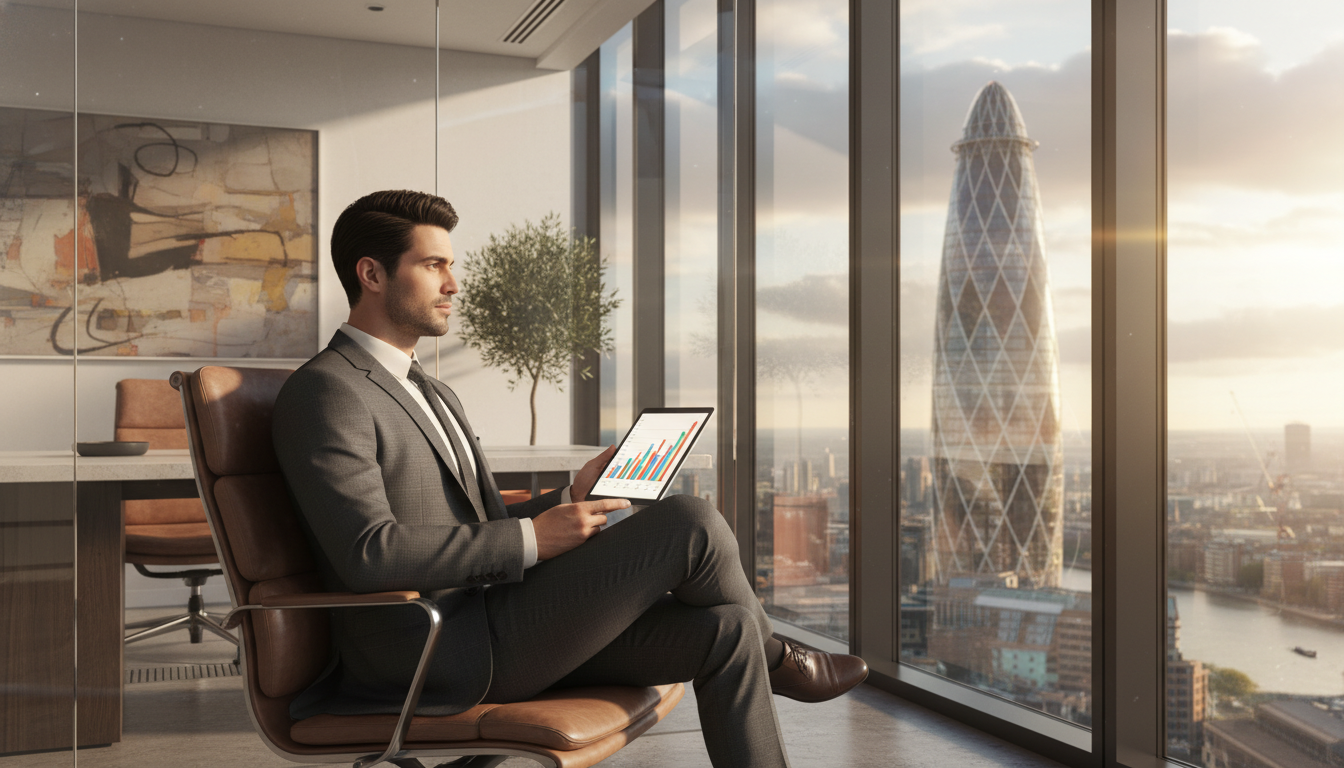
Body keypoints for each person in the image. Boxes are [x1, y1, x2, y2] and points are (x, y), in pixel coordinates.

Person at [272, 190, 867, 768]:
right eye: (433, 266)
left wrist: (568, 500)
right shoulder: (330, 390)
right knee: (691, 522)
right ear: (372, 274)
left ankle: (768, 656)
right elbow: (368, 555)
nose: (453, 284)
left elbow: (468, 526)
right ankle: (785, 663)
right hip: (433, 651)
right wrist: (537, 540)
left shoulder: (430, 389)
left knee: (728, 628)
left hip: (492, 620)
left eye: (451, 266)